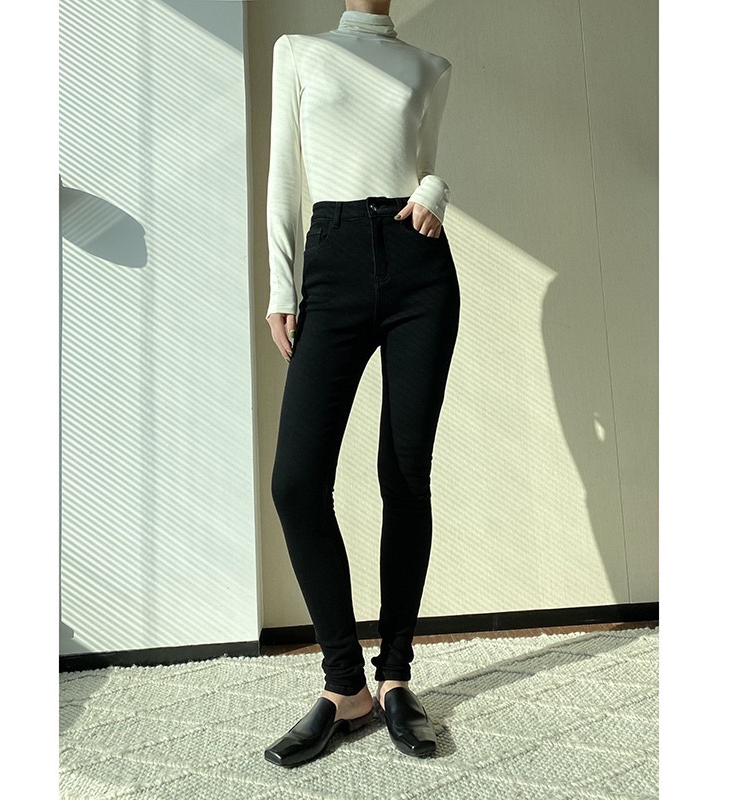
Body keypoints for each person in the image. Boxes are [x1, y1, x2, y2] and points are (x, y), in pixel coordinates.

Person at [264, 0, 459, 767]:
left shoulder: (430, 67)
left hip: (419, 273)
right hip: (334, 259)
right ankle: (344, 684)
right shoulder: (299, 51)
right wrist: (281, 286)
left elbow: (425, 164)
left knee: (403, 475)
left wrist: (435, 192)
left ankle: (396, 677)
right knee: (296, 482)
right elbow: (285, 172)